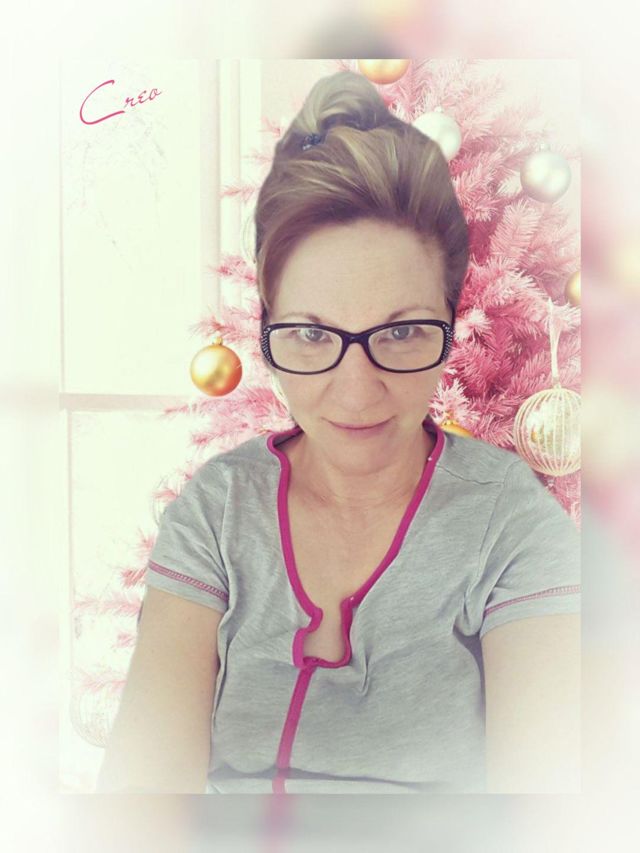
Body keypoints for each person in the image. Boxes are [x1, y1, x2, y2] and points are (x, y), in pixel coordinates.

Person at [96, 70, 580, 795]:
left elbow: (547, 813)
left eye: (404, 331)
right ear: (266, 329)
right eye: (312, 334)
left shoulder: (510, 522)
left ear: (451, 326)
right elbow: (139, 802)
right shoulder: (217, 510)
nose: (356, 392)